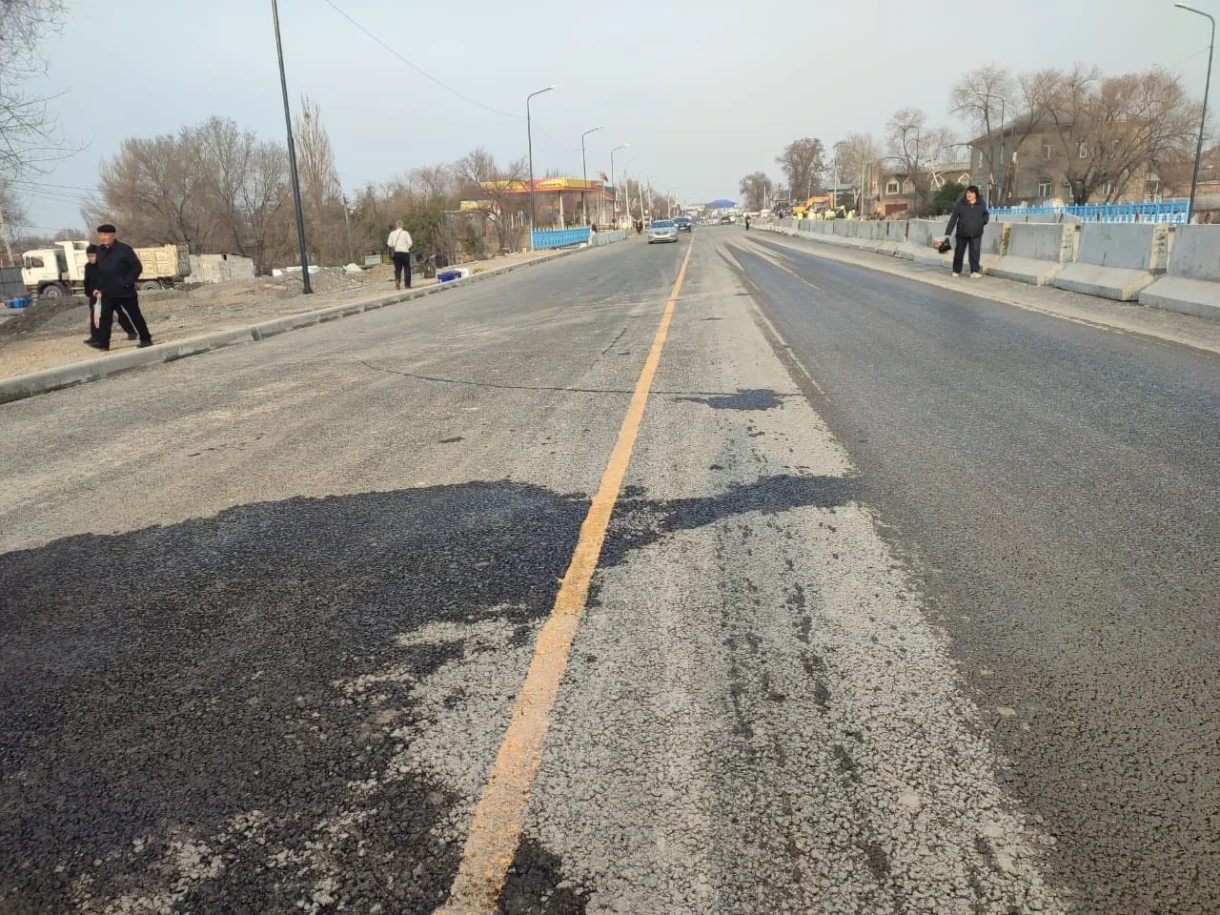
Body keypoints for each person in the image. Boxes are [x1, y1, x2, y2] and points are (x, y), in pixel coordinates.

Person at [90, 224, 152, 350]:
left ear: (113, 235)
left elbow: (136, 267)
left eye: (105, 235)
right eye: (101, 235)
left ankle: (145, 339)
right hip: (107, 291)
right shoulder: (99, 251)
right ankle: (103, 343)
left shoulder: (124, 249)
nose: (103, 238)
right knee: (105, 318)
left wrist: (127, 282)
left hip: (125, 291)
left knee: (135, 315)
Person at [82, 244, 136, 346]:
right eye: (89, 256)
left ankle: (131, 332)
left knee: (119, 313)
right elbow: (87, 281)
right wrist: (89, 293)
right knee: (95, 316)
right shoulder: (88, 267)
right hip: (94, 296)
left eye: (93, 255)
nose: (91, 258)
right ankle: (95, 337)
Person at [943, 185, 990, 278]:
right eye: (968, 192)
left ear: (976, 194)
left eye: (971, 193)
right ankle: (956, 270)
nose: (969, 194)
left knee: (975, 253)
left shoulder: (981, 204)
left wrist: (982, 222)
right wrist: (948, 232)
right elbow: (953, 218)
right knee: (959, 253)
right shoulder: (961, 204)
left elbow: (986, 214)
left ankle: (974, 271)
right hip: (962, 233)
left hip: (976, 233)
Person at [387, 220, 413, 290]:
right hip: (405, 252)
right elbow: (410, 243)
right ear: (402, 225)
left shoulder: (392, 233)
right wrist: (406, 247)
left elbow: (389, 244)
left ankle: (397, 280)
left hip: (396, 253)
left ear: (396, 226)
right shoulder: (406, 233)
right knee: (407, 268)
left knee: (398, 269)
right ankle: (407, 285)